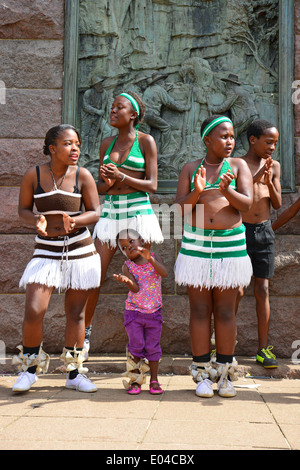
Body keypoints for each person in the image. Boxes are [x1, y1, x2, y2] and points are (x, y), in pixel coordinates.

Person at [12, 125, 101, 393]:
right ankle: (28, 370)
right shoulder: (34, 175)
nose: (75, 149)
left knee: (76, 314)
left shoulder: (82, 175)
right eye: (67, 144)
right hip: (46, 250)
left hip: (80, 250)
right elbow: (23, 210)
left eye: (77, 144)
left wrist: (74, 221)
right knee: (35, 309)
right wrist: (36, 220)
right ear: (52, 148)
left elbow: (95, 212)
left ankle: (74, 373)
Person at [175, 115, 253, 398]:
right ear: (207, 139)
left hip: (229, 247)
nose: (230, 141)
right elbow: (180, 210)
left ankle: (225, 374)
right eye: (223, 136)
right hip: (196, 247)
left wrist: (226, 190)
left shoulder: (238, 166)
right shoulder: (190, 168)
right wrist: (197, 191)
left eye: (232, 136)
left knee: (224, 311)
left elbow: (247, 203)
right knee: (199, 310)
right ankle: (202, 375)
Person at [84, 91, 163, 358]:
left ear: (133, 115)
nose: (113, 110)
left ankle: (143, 346)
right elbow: (101, 186)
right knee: (93, 275)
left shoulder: (146, 141)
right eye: (112, 106)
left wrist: (122, 175)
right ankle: (82, 339)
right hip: (111, 213)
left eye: (120, 107)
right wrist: (107, 182)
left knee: (144, 276)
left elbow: (152, 185)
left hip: (138, 214)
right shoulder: (106, 143)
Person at [236, 119, 281, 368]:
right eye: (268, 142)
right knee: (236, 290)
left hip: (264, 232)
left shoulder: (273, 167)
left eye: (275, 143)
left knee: (262, 290)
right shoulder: (237, 165)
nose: (272, 147)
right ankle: (223, 346)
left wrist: (267, 179)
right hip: (239, 231)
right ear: (253, 140)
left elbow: (277, 203)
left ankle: (263, 349)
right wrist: (255, 177)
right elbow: (236, 197)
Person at [113, 228, 167, 395]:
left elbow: (164, 273)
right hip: (134, 313)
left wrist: (150, 258)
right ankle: (135, 381)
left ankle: (154, 380)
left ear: (141, 241)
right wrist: (128, 280)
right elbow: (135, 289)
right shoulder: (127, 266)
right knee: (136, 346)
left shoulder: (153, 258)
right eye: (123, 247)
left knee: (153, 347)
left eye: (131, 242)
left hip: (154, 313)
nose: (128, 247)